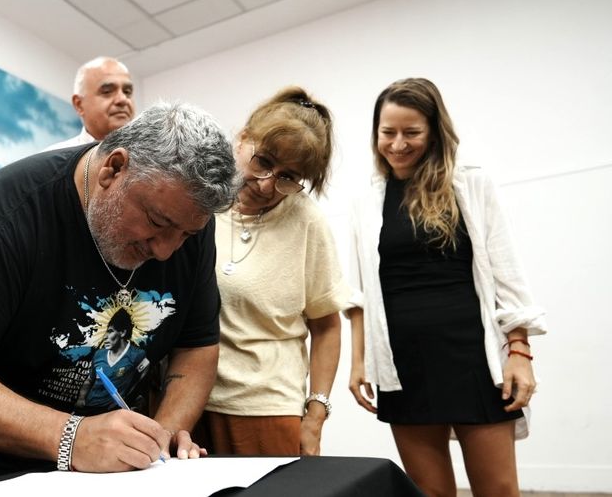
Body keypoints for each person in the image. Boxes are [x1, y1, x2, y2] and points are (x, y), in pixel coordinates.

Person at [0, 101, 238, 489]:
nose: (165, 250)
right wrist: (71, 436)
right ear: (113, 169)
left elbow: (197, 346)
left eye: (186, 235)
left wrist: (160, 436)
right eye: (156, 222)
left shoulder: (185, 216)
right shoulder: (6, 213)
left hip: (105, 473)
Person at [346, 78, 547, 497]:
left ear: (435, 132)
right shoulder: (367, 201)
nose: (398, 144)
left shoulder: (470, 184)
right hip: (403, 364)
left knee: (498, 490)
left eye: (411, 132)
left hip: (470, 356)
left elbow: (508, 276)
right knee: (429, 493)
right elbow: (360, 291)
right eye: (388, 132)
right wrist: (359, 360)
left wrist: (520, 352)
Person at [201, 87, 360, 456]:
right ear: (241, 140)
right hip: (190, 403)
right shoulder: (201, 204)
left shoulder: (306, 221)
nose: (267, 184)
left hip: (267, 411)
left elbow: (327, 325)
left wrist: (315, 417)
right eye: (263, 162)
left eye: (289, 177)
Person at [45, 56, 134, 150]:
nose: (123, 99)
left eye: (127, 92)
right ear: (79, 104)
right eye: (107, 91)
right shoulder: (53, 160)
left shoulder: (149, 157)